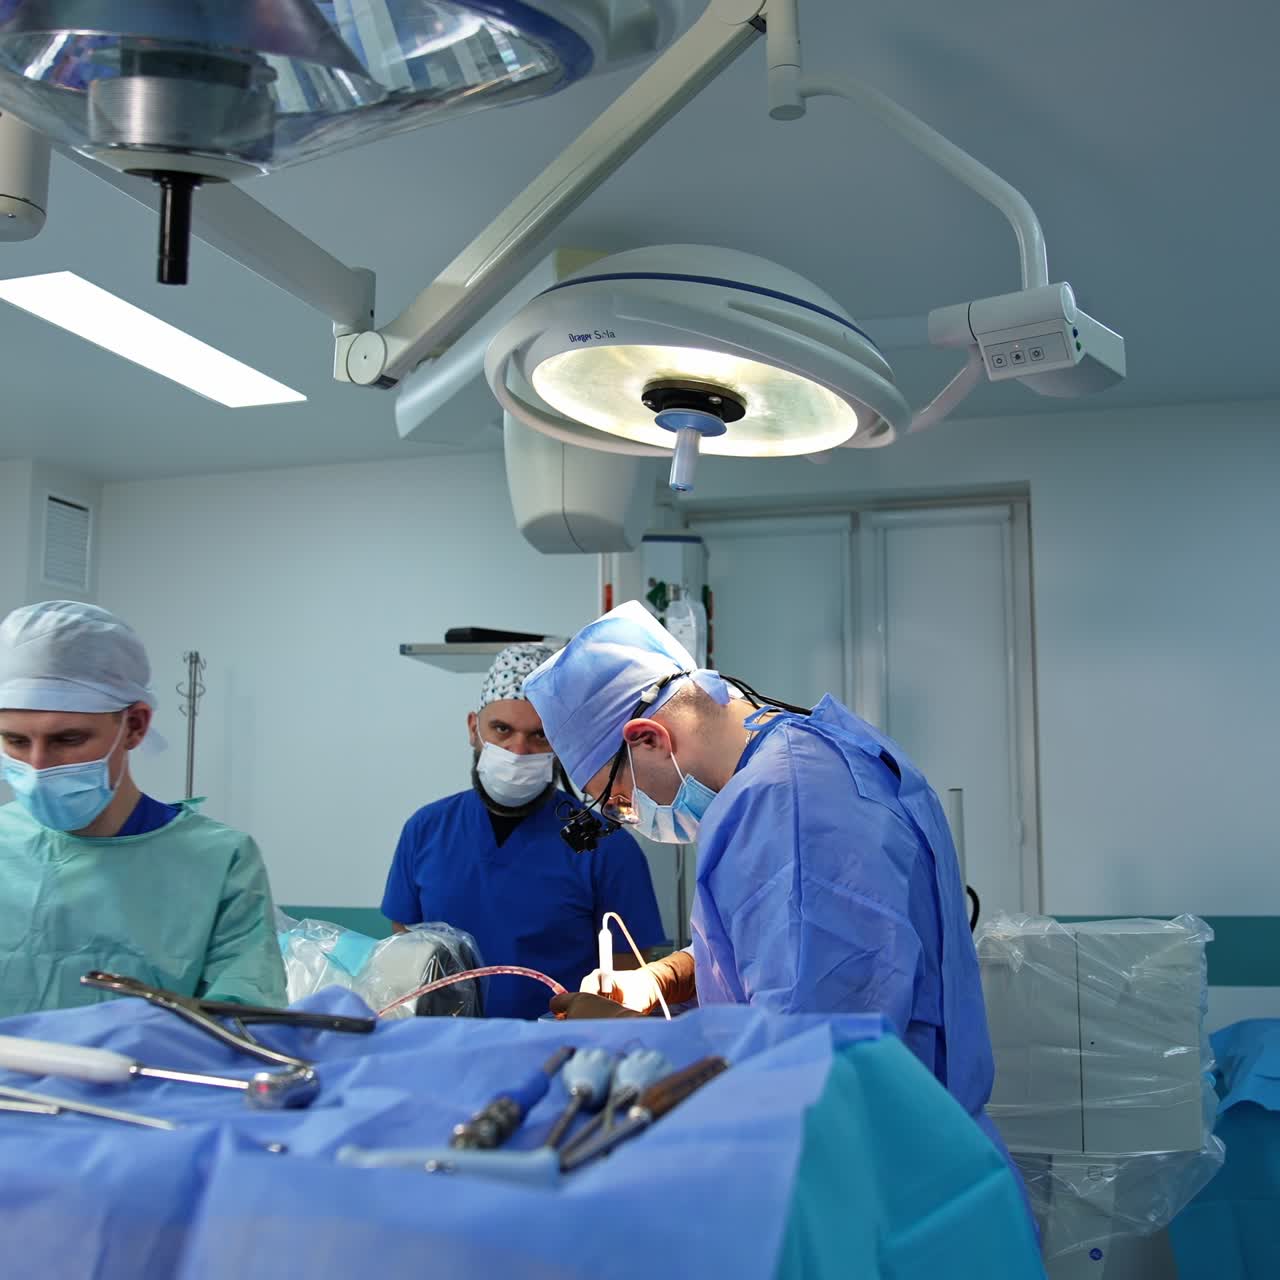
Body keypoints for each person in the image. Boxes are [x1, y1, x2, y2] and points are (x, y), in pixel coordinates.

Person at [523, 600, 1004, 1148]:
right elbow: (795, 945)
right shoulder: (808, 755)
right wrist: (667, 977)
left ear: (648, 738)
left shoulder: (790, 804)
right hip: (907, 1140)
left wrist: (631, 1040)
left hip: (876, 1168)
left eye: (618, 802)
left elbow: (805, 1055)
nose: (629, 817)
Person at [0, 601, 286, 1016]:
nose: (38, 767)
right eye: (16, 742)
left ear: (135, 725)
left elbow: (245, 1023)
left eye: (68, 740)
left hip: (149, 1080)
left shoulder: (219, 862)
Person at [381, 642, 666, 1020]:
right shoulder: (426, 830)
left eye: (539, 735)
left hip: (557, 1052)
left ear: (561, 743)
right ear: (473, 729)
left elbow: (630, 973)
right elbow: (407, 952)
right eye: (501, 729)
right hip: (443, 1045)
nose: (518, 750)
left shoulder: (605, 845)